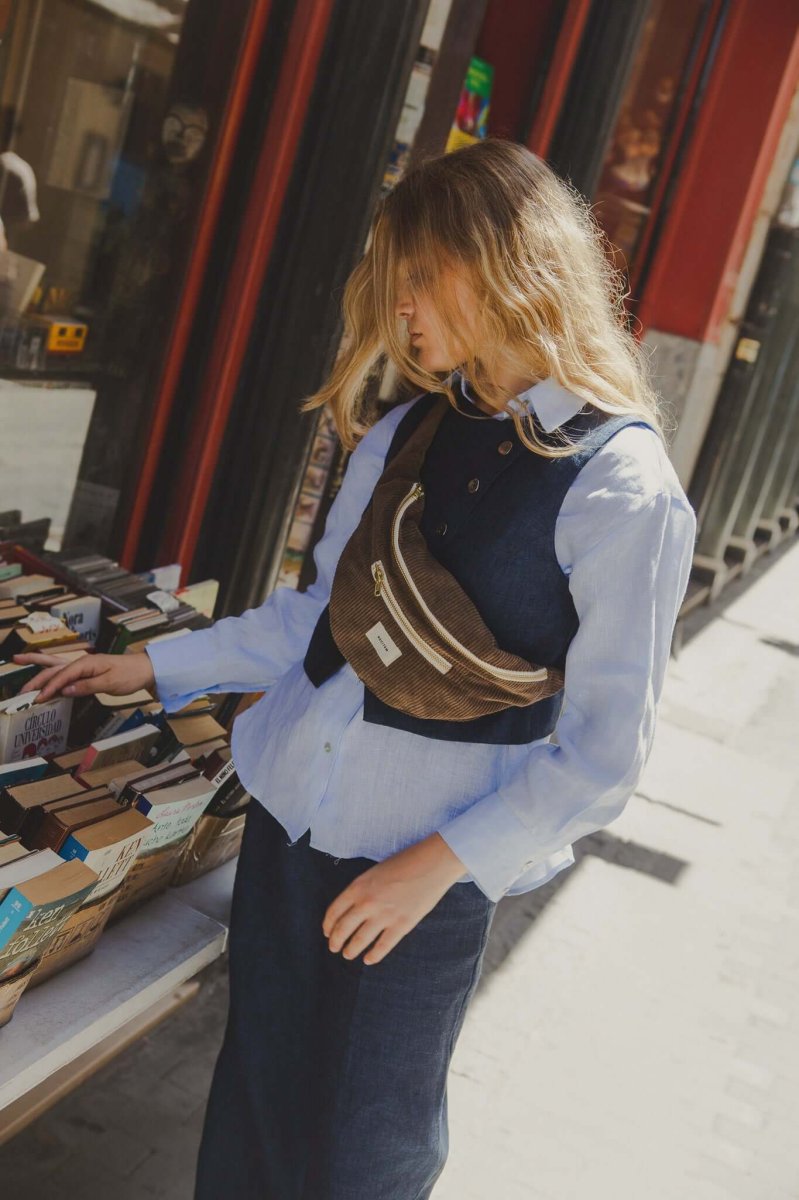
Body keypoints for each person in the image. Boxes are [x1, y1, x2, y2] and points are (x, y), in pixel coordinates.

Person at [15, 138, 697, 1199]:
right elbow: (317, 622)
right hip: (287, 832)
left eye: (420, 278)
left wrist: (435, 866)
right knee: (247, 1127)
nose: (401, 310)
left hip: (421, 882)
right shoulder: (409, 429)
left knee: (364, 1160)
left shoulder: (622, 486)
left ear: (504, 266)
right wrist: (152, 666)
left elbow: (605, 757)